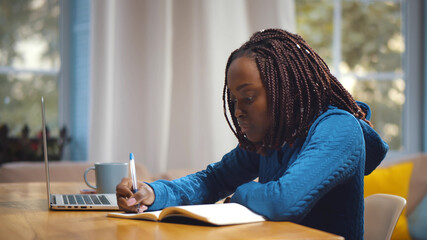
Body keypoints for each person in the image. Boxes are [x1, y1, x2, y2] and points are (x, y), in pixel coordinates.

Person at [116, 29, 388, 239]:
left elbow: (283, 202)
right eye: (233, 100)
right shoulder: (275, 136)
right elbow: (215, 179)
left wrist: (237, 197)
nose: (237, 112)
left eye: (248, 97)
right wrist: (152, 192)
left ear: (286, 92)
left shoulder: (338, 129)